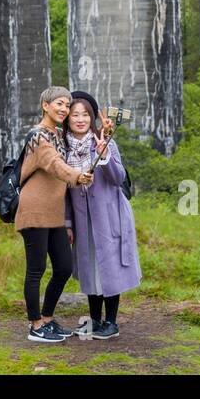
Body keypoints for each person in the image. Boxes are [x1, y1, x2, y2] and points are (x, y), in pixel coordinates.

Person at [16, 85, 94, 343]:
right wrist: (77, 177)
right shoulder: (39, 136)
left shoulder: (57, 135)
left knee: (63, 267)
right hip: (34, 210)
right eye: (59, 103)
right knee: (36, 270)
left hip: (54, 213)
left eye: (67, 104)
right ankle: (35, 325)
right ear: (45, 106)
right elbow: (54, 164)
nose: (64, 109)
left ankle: (47, 318)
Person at [62, 90, 142, 340]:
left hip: (109, 216)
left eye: (85, 114)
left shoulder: (105, 142)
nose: (80, 119)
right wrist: (67, 222)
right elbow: (62, 190)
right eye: (75, 114)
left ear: (93, 117)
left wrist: (104, 155)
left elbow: (118, 178)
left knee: (109, 266)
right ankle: (94, 321)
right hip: (82, 217)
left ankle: (111, 322)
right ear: (68, 119)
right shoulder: (63, 147)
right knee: (89, 266)